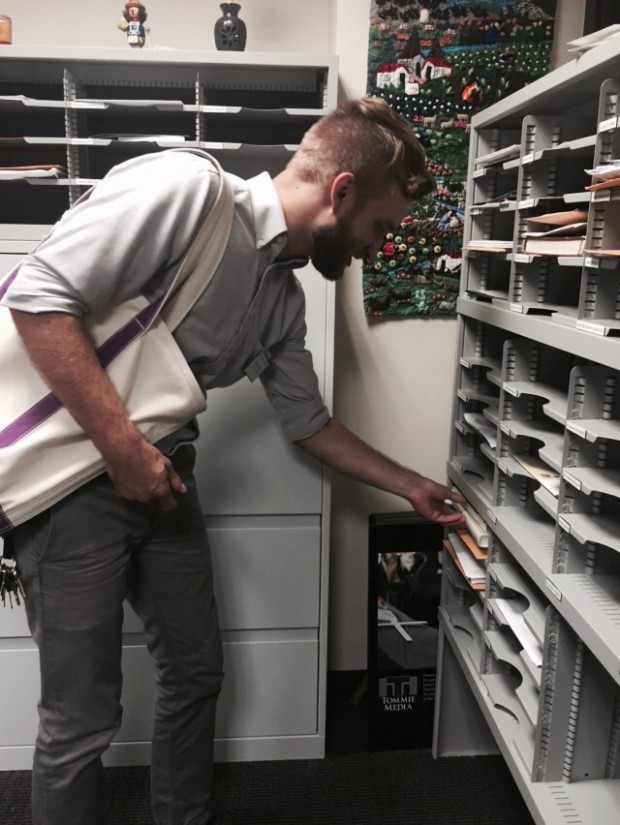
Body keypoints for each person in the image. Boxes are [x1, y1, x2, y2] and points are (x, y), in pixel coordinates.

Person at [1, 96, 465, 825]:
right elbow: (36, 297)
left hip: (163, 481)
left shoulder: (281, 301)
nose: (378, 245)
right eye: (380, 226)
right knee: (81, 717)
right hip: (72, 488)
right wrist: (123, 451)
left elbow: (308, 424)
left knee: (195, 672)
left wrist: (412, 485)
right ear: (340, 191)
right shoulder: (187, 190)